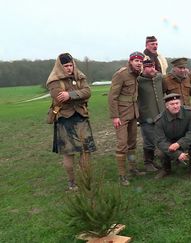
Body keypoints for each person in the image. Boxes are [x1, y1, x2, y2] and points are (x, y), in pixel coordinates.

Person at [46, 53, 96, 191]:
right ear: (60, 67)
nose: (69, 68)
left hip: (81, 116)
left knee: (86, 151)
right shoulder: (53, 81)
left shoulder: (80, 76)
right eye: (66, 66)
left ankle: (85, 179)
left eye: (70, 65)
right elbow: (59, 97)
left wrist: (70, 94)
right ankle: (72, 182)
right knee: (69, 153)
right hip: (65, 118)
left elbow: (88, 92)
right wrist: (77, 94)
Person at [108, 51, 145, 186]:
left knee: (132, 143)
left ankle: (133, 168)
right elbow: (112, 96)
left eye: (140, 61)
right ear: (130, 61)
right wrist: (115, 116)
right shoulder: (121, 74)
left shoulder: (137, 75)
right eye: (136, 61)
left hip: (133, 114)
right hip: (121, 115)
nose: (139, 63)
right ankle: (122, 175)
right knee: (122, 144)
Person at [154, 93, 191, 179]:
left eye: (177, 103)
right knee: (159, 152)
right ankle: (166, 169)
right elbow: (160, 141)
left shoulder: (189, 113)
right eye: (172, 104)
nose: (175, 106)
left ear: (180, 103)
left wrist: (179, 144)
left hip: (185, 140)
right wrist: (177, 154)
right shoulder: (160, 120)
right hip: (169, 143)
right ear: (167, 106)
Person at [137, 60, 165, 172]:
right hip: (146, 116)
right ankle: (148, 162)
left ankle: (157, 161)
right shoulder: (138, 80)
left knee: (161, 139)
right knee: (149, 140)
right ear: (143, 68)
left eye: (153, 66)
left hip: (161, 114)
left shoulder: (159, 78)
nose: (152, 69)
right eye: (148, 67)